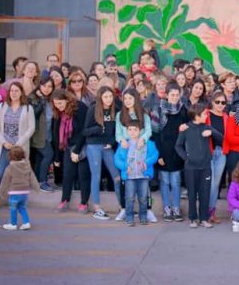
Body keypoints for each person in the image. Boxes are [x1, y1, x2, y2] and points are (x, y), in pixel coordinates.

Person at [0, 82, 36, 210]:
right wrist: (4, 142)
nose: (14, 93)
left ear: (21, 92)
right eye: (12, 91)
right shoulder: (2, 106)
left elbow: (31, 128)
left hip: (19, 148)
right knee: (0, 173)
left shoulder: (27, 108)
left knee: (19, 174)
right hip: (5, 146)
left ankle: (16, 200)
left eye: (17, 90)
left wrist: (19, 143)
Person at [175, 103, 221, 228]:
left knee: (204, 193)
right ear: (196, 115)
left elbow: (221, 139)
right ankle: (192, 218)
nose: (207, 115)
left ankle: (204, 219)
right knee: (192, 194)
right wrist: (187, 158)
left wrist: (211, 133)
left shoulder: (207, 127)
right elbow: (178, 146)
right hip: (190, 167)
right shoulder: (186, 128)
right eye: (204, 113)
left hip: (205, 166)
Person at [149, 82, 188, 222]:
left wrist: (186, 126)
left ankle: (176, 209)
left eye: (177, 95)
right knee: (165, 181)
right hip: (163, 151)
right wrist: (159, 154)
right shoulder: (158, 109)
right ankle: (167, 209)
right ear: (166, 95)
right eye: (172, 95)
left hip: (177, 150)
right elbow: (155, 134)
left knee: (176, 181)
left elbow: (188, 127)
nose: (175, 97)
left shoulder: (183, 110)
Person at [83, 86, 120, 220]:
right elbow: (85, 131)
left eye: (110, 96)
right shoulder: (93, 109)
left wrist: (112, 142)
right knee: (96, 176)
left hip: (107, 147)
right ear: (100, 97)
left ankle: (123, 207)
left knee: (116, 175)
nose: (108, 99)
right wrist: (99, 129)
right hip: (93, 146)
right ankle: (97, 208)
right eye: (105, 97)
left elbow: (115, 131)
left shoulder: (114, 110)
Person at [51, 89, 91, 213]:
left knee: (83, 175)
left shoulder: (80, 108)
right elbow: (56, 136)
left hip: (82, 146)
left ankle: (84, 203)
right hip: (68, 147)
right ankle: (64, 200)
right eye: (56, 104)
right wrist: (57, 157)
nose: (58, 106)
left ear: (67, 100)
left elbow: (84, 130)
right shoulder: (58, 113)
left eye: (60, 103)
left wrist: (77, 151)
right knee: (67, 175)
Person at [115, 121, 159, 227]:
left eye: (135, 130)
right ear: (127, 131)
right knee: (129, 198)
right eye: (130, 129)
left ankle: (143, 217)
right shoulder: (124, 144)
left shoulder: (147, 143)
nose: (132, 132)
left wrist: (146, 163)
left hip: (143, 176)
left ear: (140, 131)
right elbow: (117, 159)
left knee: (143, 198)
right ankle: (129, 218)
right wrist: (125, 167)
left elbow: (155, 155)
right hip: (129, 176)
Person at [0, 147, 40, 230]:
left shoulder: (10, 168)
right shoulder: (27, 165)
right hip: (25, 192)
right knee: (22, 208)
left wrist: (1, 192)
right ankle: (26, 222)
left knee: (13, 208)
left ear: (10, 156)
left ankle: (13, 224)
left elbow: (4, 181)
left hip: (14, 192)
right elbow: (32, 177)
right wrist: (36, 187)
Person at [28, 77, 55, 192]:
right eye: (44, 86)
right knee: (49, 155)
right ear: (39, 86)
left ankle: (37, 182)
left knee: (40, 159)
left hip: (48, 134)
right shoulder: (33, 98)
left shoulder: (51, 99)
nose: (47, 89)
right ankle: (42, 182)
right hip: (38, 135)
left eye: (50, 86)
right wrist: (41, 100)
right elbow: (33, 115)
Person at [206, 92, 229, 223]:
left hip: (221, 153)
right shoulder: (206, 114)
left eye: (223, 102)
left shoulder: (226, 117)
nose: (220, 105)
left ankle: (211, 212)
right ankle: (204, 211)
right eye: (217, 102)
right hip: (208, 151)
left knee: (215, 184)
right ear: (212, 102)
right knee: (209, 183)